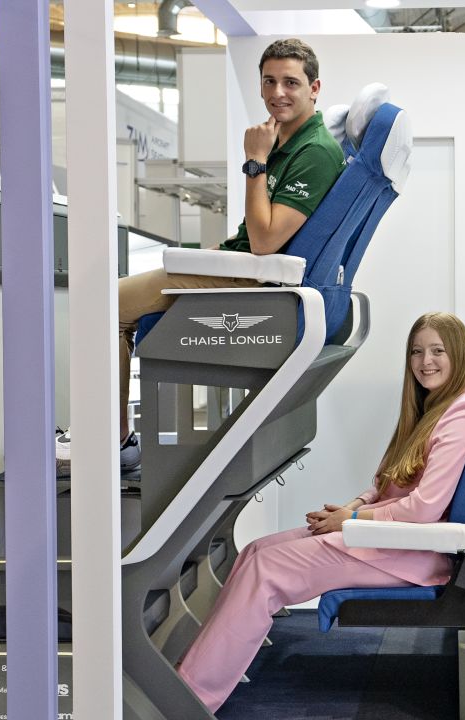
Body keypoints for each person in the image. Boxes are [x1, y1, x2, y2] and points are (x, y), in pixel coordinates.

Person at [56, 38, 346, 475]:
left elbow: (266, 242)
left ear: (315, 87)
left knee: (104, 305)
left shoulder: (315, 151)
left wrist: (254, 161)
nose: (277, 93)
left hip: (256, 279)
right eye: (269, 81)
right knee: (111, 300)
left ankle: (112, 441)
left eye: (291, 82)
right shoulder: (286, 141)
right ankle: (115, 437)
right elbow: (255, 231)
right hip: (244, 264)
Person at [176, 312, 465, 712]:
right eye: (417, 351)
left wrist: (353, 522)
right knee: (256, 551)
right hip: (388, 537)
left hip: (409, 553)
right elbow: (389, 482)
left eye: (438, 351)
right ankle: (213, 660)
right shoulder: (434, 406)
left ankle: (191, 696)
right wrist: (354, 508)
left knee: (264, 571)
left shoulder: (460, 416)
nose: (425, 361)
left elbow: (425, 508)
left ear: (458, 353)